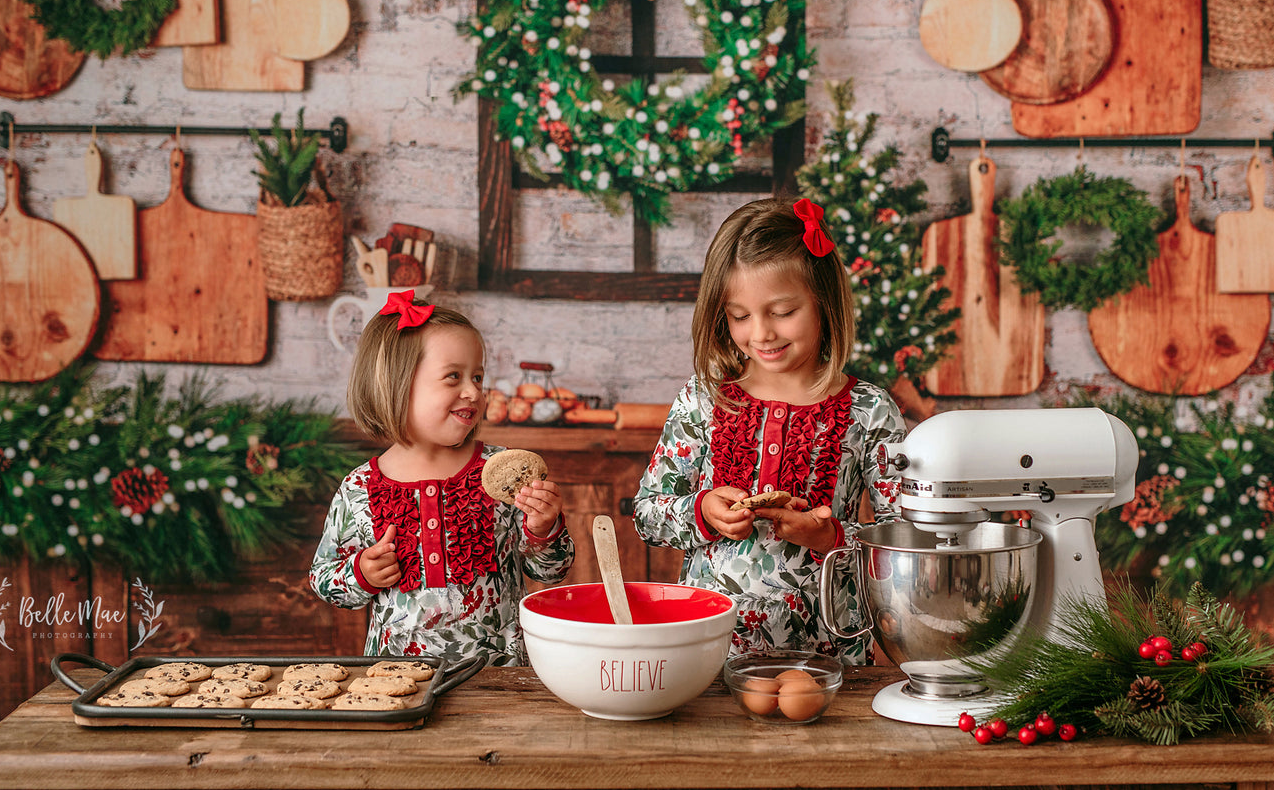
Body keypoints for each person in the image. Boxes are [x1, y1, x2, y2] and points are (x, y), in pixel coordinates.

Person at [633, 197, 907, 661]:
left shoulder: (870, 411)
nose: (760, 333)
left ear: (823, 300)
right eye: (740, 316)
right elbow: (646, 515)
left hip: (828, 657)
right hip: (709, 651)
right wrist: (702, 510)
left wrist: (830, 537)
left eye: (781, 312)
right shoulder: (704, 398)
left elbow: (903, 544)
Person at [310, 293, 574, 664]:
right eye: (454, 376)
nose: (474, 391)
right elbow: (324, 580)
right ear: (396, 384)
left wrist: (543, 529)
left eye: (477, 377)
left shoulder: (501, 470)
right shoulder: (359, 488)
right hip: (397, 678)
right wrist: (363, 573)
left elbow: (551, 570)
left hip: (500, 679)